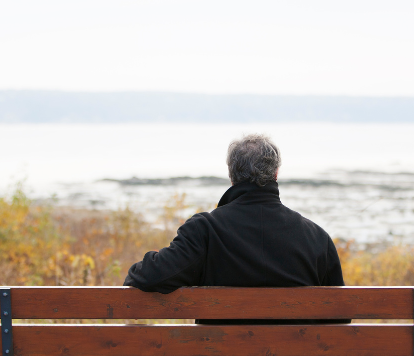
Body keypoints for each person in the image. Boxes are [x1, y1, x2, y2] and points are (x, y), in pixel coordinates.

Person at [123, 134, 348, 324]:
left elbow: (151, 278)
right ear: (276, 174)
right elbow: (341, 316)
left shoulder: (204, 231)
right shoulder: (317, 238)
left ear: (232, 176)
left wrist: (140, 268)